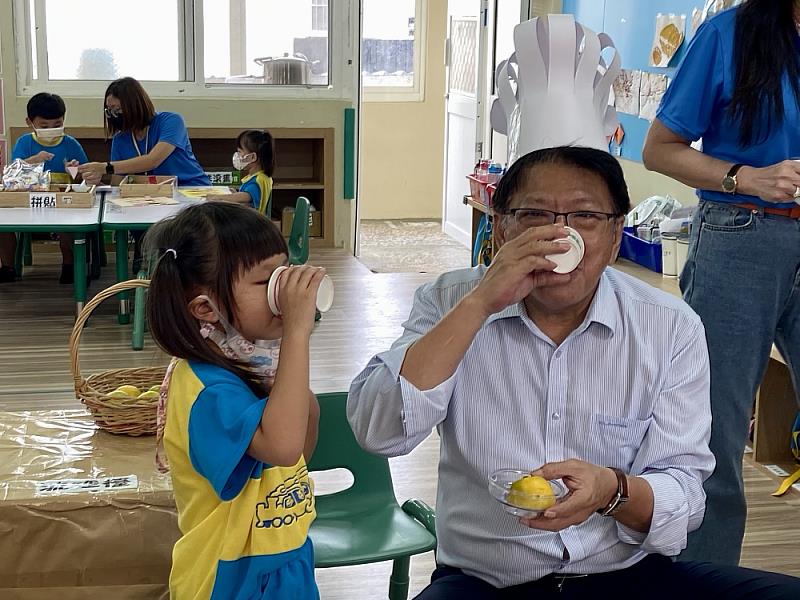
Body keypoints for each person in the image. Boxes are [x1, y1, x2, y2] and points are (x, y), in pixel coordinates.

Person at [348, 147, 800, 599]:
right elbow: (379, 432)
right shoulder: (449, 302)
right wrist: (481, 302)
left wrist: (611, 491)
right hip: (483, 582)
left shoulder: (668, 326)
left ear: (616, 235)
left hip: (626, 577)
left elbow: (686, 493)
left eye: (584, 215)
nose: (559, 234)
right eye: (534, 214)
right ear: (502, 229)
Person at [642, 0, 800, 565]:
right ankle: (704, 581)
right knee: (712, 435)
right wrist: (744, 177)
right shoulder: (728, 35)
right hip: (741, 236)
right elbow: (658, 149)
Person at [143, 202, 322, 599]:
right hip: (227, 578)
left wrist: (284, 366)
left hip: (283, 560)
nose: (283, 289)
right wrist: (296, 334)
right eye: (266, 282)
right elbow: (283, 446)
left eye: (284, 271)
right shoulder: (206, 390)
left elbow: (299, 452)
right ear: (206, 308)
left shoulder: (250, 364)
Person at [78, 77, 210, 271]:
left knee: (184, 235)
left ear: (134, 105)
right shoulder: (121, 138)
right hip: (150, 197)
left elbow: (153, 159)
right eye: (109, 110)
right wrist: (98, 179)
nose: (114, 115)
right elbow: (117, 184)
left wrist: (105, 167)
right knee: (132, 217)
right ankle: (145, 258)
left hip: (189, 189)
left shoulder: (171, 121)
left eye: (118, 109)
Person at [0, 93, 88, 284]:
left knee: (70, 223)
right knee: (3, 223)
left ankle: (69, 265)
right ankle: (7, 267)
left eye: (57, 125)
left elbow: (82, 178)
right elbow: (14, 171)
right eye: (44, 126)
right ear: (30, 123)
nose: (51, 130)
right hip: (28, 198)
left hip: (60, 200)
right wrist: (35, 160)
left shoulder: (70, 144)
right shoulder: (25, 142)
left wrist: (74, 170)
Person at [208, 129, 275, 215]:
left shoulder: (257, 181)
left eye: (240, 152)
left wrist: (218, 198)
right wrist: (234, 193)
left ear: (252, 157)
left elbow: (245, 197)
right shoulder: (261, 177)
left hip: (249, 225)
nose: (237, 156)